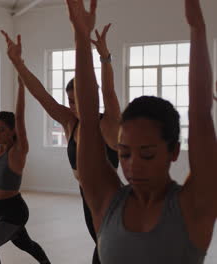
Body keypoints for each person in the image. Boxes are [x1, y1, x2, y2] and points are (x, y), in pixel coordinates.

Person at [65, 0, 216, 263]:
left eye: (146, 155)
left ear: (174, 151)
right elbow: (88, 120)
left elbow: (201, 115)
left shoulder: (195, 206)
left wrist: (198, 29)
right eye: (124, 154)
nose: (133, 166)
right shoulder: (105, 200)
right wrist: (81, 36)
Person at [1, 22, 121, 264]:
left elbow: (108, 92)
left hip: (109, 198)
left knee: (105, 250)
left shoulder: (108, 123)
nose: (73, 106)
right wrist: (18, 63)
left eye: (78, 100)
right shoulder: (69, 122)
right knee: (103, 248)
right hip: (86, 197)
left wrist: (105, 58)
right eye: (70, 101)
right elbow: (42, 95)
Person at [0, 59, 51, 263]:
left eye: (2, 129)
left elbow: (20, 118)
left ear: (12, 131)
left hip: (15, 210)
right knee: (25, 244)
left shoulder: (18, 151)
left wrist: (21, 87)